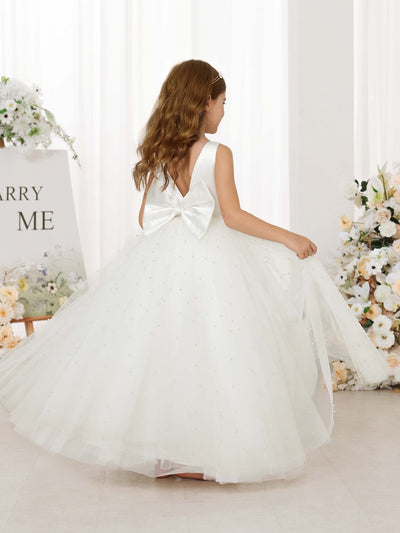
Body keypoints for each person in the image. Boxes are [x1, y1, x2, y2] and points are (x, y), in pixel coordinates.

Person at [0, 59, 389, 485]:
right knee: (216, 351)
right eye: (223, 102)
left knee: (159, 349)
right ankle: (204, 452)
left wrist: (177, 217)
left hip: (158, 259)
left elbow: (145, 217)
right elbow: (233, 216)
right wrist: (288, 237)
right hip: (210, 257)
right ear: (205, 102)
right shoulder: (218, 154)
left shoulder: (159, 152)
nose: (224, 111)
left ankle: (162, 452)